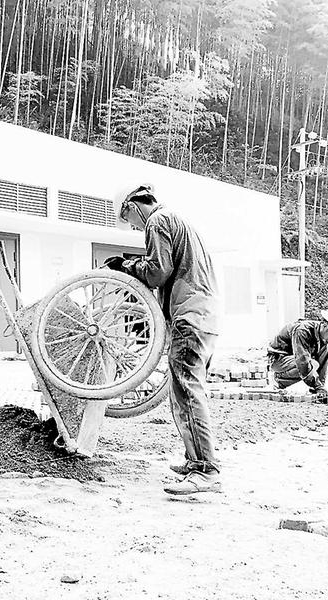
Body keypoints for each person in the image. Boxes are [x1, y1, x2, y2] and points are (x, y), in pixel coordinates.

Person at [109, 184, 221, 495]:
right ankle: (196, 461)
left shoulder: (157, 221)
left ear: (132, 206)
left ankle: (207, 470)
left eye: (129, 220)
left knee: (188, 392)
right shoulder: (179, 221)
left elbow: (158, 272)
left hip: (190, 316)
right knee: (184, 391)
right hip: (204, 316)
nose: (134, 227)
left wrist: (126, 265)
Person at [268, 311, 328, 401]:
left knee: (327, 347)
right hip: (278, 359)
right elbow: (302, 361)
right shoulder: (302, 331)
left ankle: (318, 390)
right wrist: (317, 386)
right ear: (325, 326)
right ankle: (279, 380)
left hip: (294, 359)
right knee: (313, 364)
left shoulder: (326, 338)